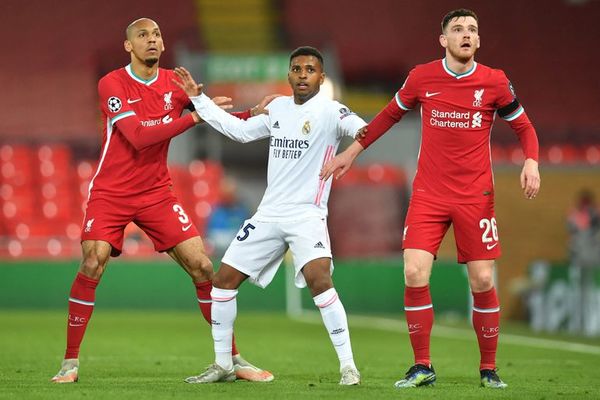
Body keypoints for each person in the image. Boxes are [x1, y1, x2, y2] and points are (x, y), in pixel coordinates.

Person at [320, 9, 541, 389]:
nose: (466, 35)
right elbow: (389, 115)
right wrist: (351, 151)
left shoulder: (495, 81)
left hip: (475, 195)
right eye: (458, 29)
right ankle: (422, 366)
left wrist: (532, 162)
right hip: (429, 194)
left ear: (478, 39)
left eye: (472, 29)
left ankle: (488, 369)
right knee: (414, 271)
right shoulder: (422, 77)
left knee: (483, 280)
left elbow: (523, 125)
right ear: (443, 40)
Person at [51, 17, 274, 384]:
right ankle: (70, 364)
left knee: (203, 267)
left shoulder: (175, 81)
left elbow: (214, 117)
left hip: (156, 192)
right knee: (93, 262)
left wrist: (252, 114)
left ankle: (232, 359)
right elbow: (138, 135)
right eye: (143, 35)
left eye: (156, 34)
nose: (152, 40)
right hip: (112, 191)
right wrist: (194, 119)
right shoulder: (112, 82)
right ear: (129, 46)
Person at [173, 46, 365, 385]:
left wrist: (351, 151)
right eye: (296, 69)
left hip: (307, 215)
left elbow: (364, 129)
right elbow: (239, 130)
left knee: (320, 280)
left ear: (321, 76)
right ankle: (222, 365)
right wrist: (199, 102)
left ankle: (348, 365)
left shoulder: (333, 111)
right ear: (289, 75)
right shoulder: (277, 108)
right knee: (222, 282)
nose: (302, 74)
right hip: (269, 213)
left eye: (310, 69)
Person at [206, 176, 250, 257]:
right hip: (216, 245)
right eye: (225, 194)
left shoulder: (242, 211)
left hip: (236, 245)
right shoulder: (215, 210)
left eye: (230, 194)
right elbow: (208, 232)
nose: (227, 197)